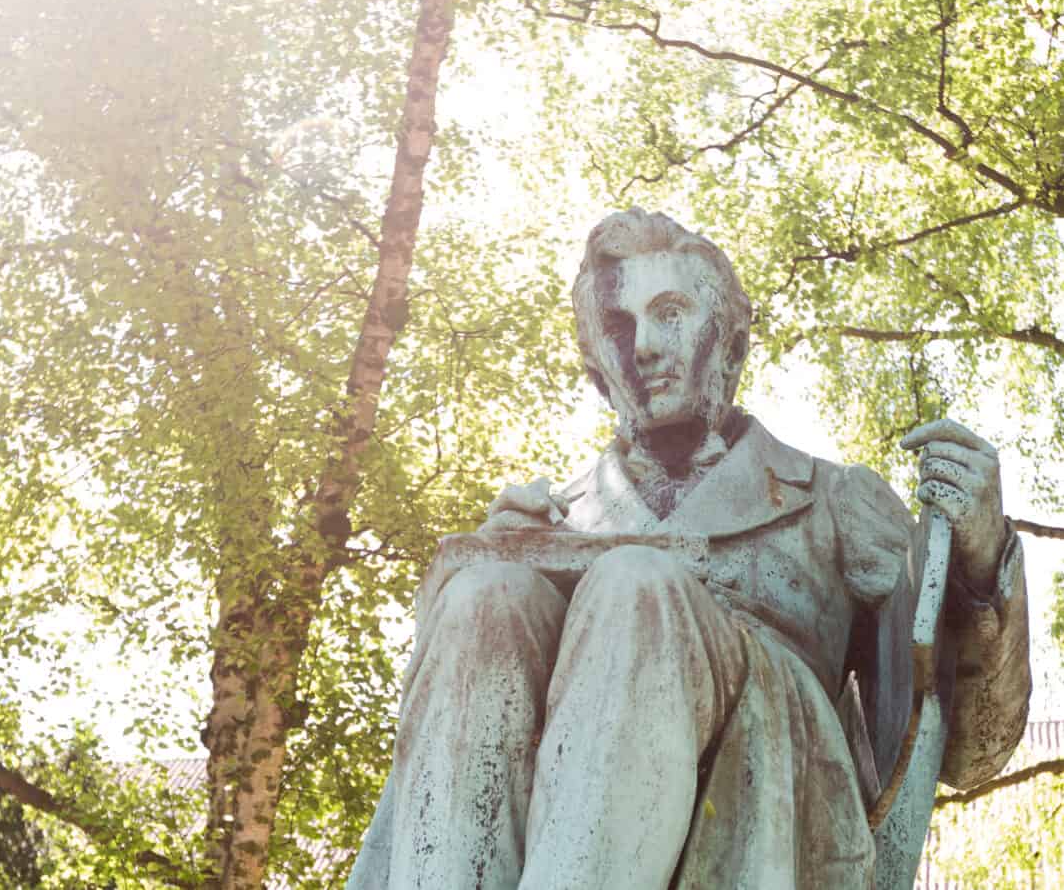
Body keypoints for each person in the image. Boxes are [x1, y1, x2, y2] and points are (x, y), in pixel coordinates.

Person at [347, 208, 1030, 889]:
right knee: (483, 597)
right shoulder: (554, 517)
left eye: (668, 312)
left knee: (637, 585)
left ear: (731, 341)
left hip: (763, 818)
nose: (642, 345)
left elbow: (967, 750)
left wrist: (977, 563)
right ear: (597, 371)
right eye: (618, 326)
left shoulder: (834, 501)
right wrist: (490, 563)